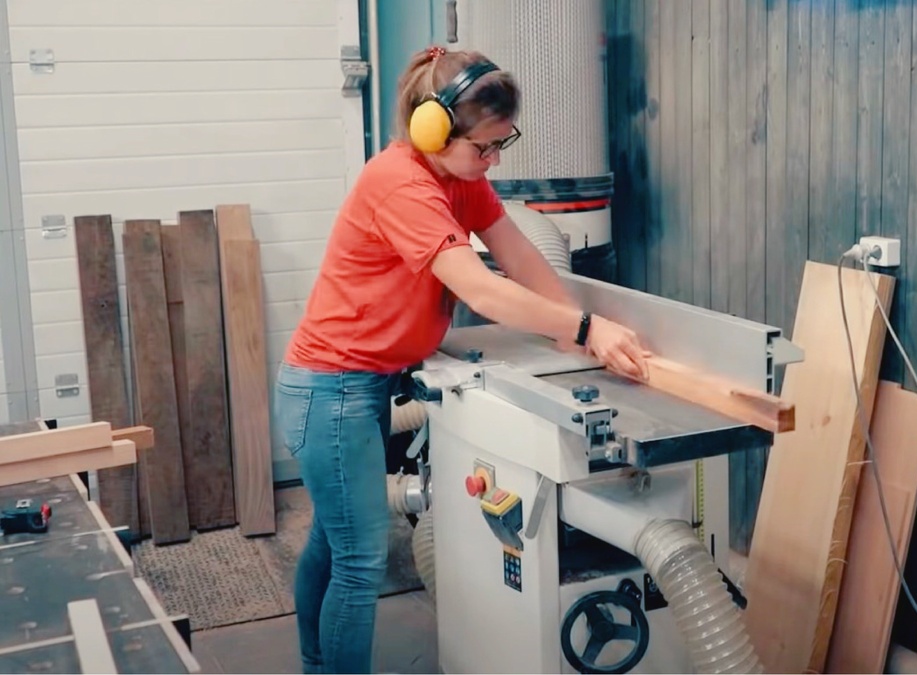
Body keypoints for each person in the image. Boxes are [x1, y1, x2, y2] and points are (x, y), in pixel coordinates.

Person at [272, 45, 649, 674]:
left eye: (502, 144)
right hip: (330, 390)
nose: (494, 159)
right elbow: (481, 289)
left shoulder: (461, 181)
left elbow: (519, 258)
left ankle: (316, 663)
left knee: (333, 543)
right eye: (485, 147)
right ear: (432, 129)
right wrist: (587, 326)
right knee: (359, 559)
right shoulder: (401, 184)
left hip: (360, 384)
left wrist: (578, 339)